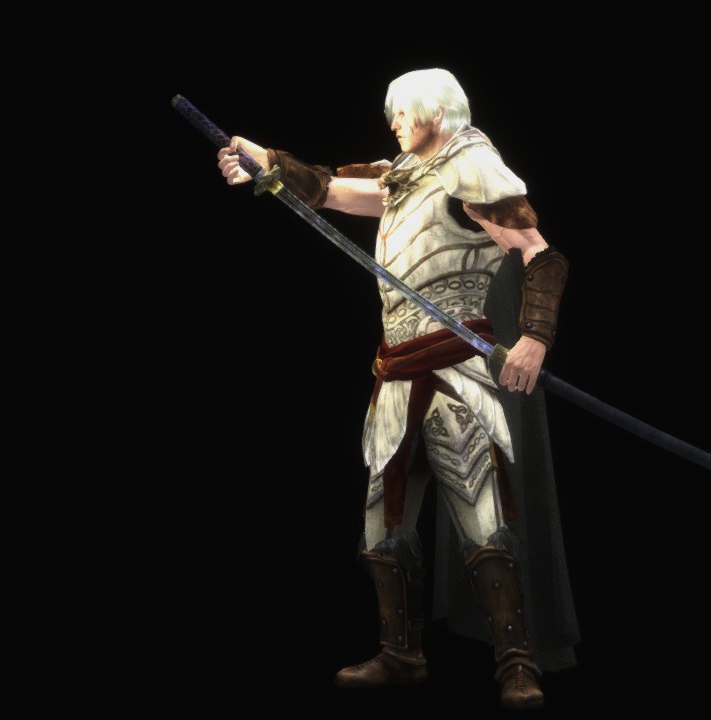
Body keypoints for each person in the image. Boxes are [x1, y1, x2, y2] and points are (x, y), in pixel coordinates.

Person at [216, 68, 577, 709]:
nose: (394, 124)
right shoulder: (403, 178)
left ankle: (517, 664)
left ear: (436, 113)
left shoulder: (472, 169)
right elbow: (329, 189)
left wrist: (535, 337)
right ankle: (400, 656)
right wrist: (262, 159)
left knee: (483, 522)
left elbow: (540, 254)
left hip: (454, 369)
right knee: (382, 526)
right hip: (395, 371)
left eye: (403, 113)